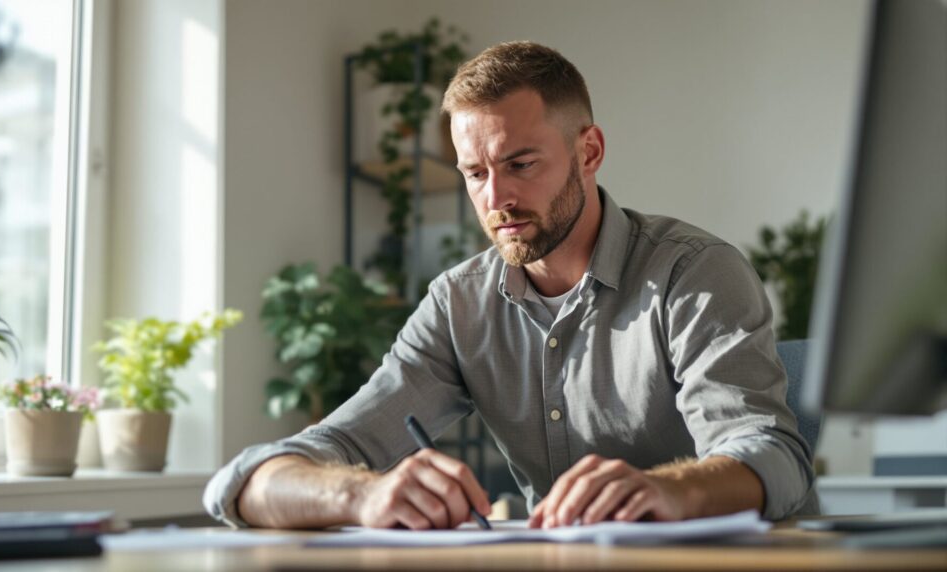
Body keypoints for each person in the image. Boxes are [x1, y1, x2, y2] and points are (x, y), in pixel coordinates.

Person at [204, 41, 817, 530]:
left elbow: (774, 458)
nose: (496, 199)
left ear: (590, 151)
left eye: (520, 164)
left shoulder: (694, 273)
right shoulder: (459, 304)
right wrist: (363, 494)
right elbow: (252, 479)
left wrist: (663, 489)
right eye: (475, 173)